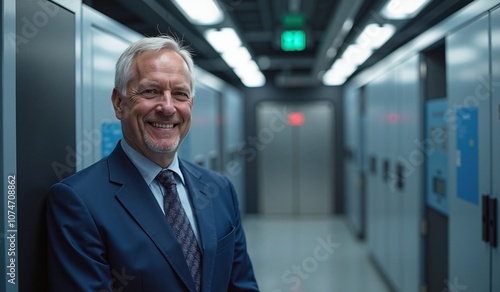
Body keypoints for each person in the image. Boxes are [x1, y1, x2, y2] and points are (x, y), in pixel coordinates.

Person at [46, 36, 259, 292]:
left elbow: (242, 285)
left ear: (190, 104)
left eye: (180, 94)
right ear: (119, 103)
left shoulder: (219, 189)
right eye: (150, 91)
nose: (168, 107)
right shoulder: (78, 201)